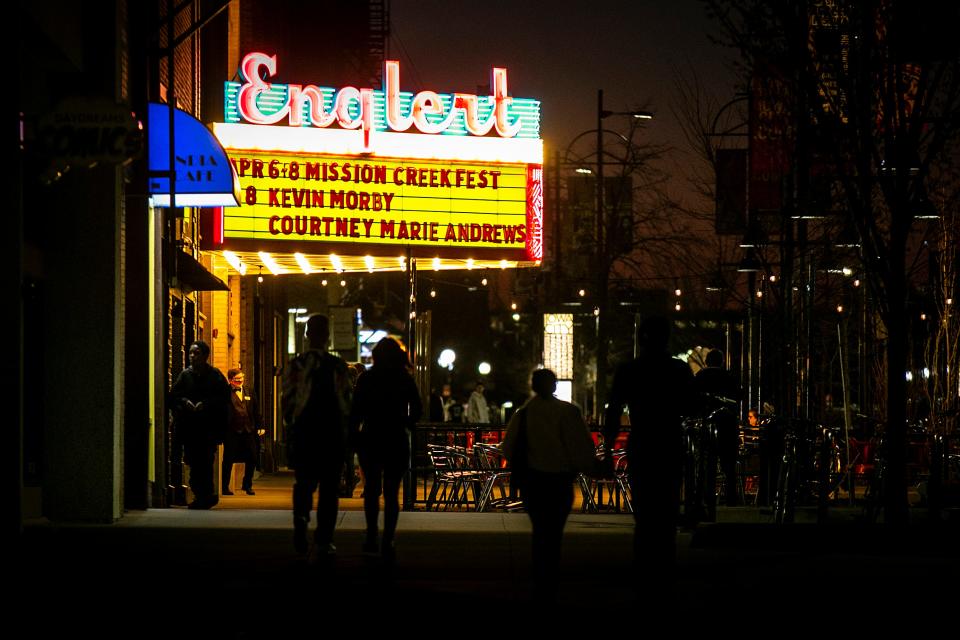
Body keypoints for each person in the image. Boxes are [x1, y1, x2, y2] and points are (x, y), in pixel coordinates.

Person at [603, 316, 694, 588]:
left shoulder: (629, 370)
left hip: (642, 442)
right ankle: (665, 564)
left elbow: (614, 411)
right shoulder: (678, 370)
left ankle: (643, 563)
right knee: (667, 510)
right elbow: (690, 406)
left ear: (641, 339)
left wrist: (608, 451)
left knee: (643, 511)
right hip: (669, 441)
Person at [501, 368, 598, 602]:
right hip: (560, 480)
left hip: (534, 480)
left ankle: (540, 576)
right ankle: (551, 575)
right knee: (554, 532)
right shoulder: (569, 412)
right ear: (553, 386)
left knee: (540, 530)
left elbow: (508, 448)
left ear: (532, 386)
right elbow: (581, 447)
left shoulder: (522, 414)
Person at [282, 315, 352, 560]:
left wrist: (291, 426)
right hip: (330, 433)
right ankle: (324, 537)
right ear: (328, 336)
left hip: (304, 433)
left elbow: (287, 400)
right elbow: (346, 402)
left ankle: (300, 519)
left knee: (304, 483)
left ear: (307, 334)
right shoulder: (337, 365)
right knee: (329, 488)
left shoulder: (297, 364)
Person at [349, 338, 422, 561]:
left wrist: (355, 435)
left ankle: (372, 534)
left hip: (371, 436)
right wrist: (407, 424)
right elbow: (418, 407)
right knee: (392, 492)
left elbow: (356, 410)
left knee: (371, 489)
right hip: (396, 437)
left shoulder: (367, 378)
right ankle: (388, 538)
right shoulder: (404, 378)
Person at [169, 340, 231, 510]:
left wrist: (206, 404)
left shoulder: (215, 376)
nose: (192, 356)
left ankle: (205, 495)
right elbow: (173, 396)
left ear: (205, 356)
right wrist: (185, 402)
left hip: (207, 428)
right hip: (189, 428)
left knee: (205, 462)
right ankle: (203, 495)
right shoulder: (185, 375)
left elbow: (224, 399)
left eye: (196, 353)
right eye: (190, 353)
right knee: (192, 461)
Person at [692, 349, 743, 507]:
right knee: (729, 465)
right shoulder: (729, 377)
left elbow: (693, 400)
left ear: (707, 361)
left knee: (708, 463)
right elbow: (738, 396)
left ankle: (707, 498)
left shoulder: (700, 376)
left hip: (707, 424)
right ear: (722, 362)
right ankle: (731, 498)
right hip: (727, 425)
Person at [221, 369, 263, 496]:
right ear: (230, 380)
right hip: (232, 432)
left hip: (248, 430)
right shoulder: (224, 393)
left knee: (253, 458)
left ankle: (247, 485)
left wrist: (260, 426)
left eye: (241, 378)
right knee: (228, 460)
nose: (240, 381)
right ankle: (224, 487)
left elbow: (256, 410)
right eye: (237, 379)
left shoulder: (249, 391)